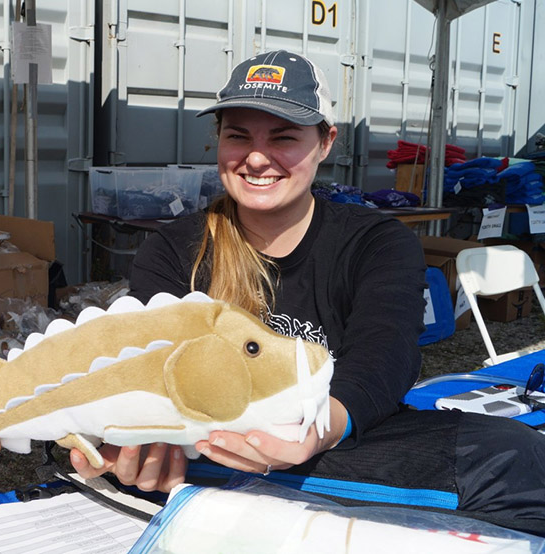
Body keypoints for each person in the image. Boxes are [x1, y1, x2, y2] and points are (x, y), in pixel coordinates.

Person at [70, 49, 545, 535]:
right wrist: (142, 440)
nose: (256, 159)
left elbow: (386, 351)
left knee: (515, 453)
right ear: (218, 141)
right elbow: (157, 367)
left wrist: (319, 428)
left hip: (339, 439)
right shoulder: (173, 250)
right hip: (212, 442)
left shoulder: (377, 242)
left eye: (284, 138)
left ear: (325, 143)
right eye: (238, 136)